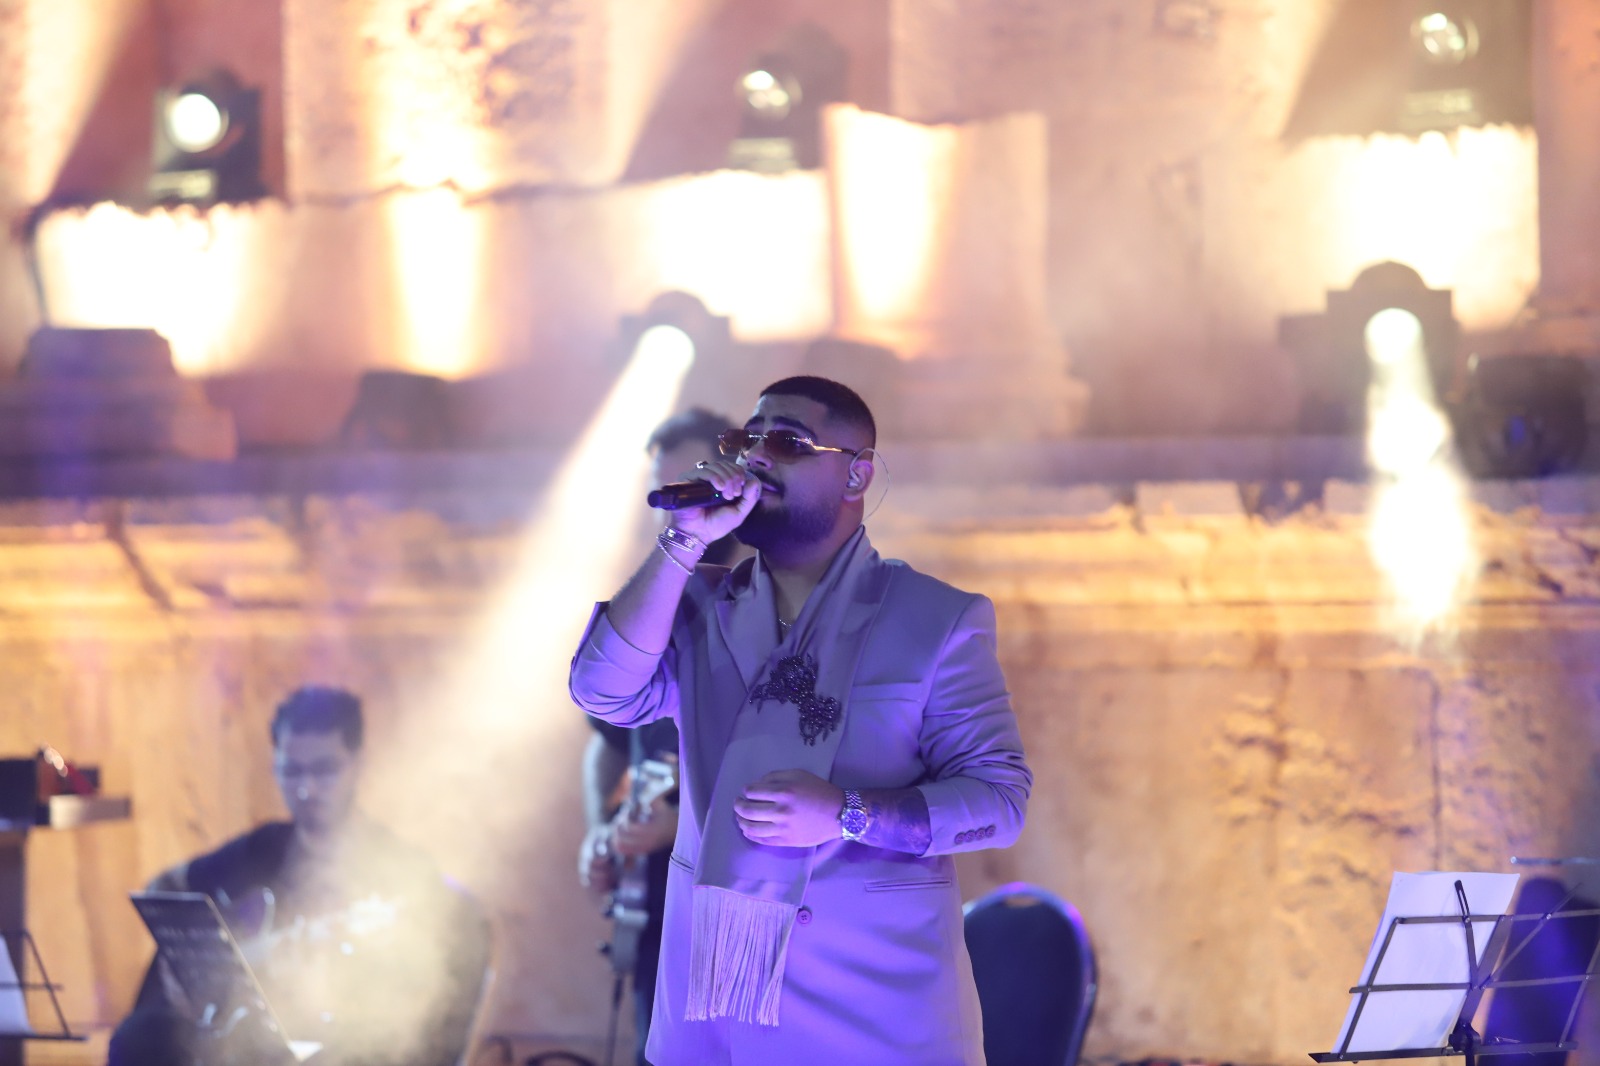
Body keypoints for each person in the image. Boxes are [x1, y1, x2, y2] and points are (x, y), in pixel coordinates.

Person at [569, 376, 1032, 1065]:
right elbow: (600, 691)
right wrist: (681, 542)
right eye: (746, 439)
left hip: (874, 1014)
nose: (756, 455)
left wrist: (847, 813)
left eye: (787, 442)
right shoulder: (697, 607)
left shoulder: (935, 620)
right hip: (710, 1013)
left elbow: (999, 803)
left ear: (857, 474)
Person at [121, 686, 491, 1066]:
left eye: (325, 770)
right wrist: (190, 973)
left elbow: (455, 933)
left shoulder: (397, 865)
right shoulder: (263, 848)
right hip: (248, 1035)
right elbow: (166, 887)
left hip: (345, 1040)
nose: (306, 788)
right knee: (139, 1037)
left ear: (358, 765)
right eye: (291, 771)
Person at [577, 407, 751, 1066]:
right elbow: (606, 740)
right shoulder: (652, 609)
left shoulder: (768, 607)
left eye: (691, 486)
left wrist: (682, 822)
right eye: (664, 491)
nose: (676, 508)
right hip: (656, 908)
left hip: (738, 909)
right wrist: (602, 829)